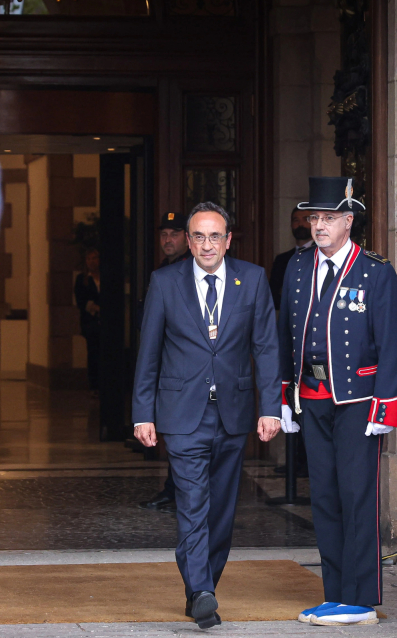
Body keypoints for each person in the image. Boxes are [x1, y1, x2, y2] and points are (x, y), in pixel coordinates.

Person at [132, 201, 281, 629]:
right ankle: (201, 591)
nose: (207, 244)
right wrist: (143, 414)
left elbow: (266, 348)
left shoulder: (250, 279)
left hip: (233, 414)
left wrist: (270, 407)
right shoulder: (164, 283)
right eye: (199, 236)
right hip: (180, 415)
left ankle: (202, 586)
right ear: (189, 241)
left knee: (221, 513)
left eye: (215, 236)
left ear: (228, 240)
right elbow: (150, 354)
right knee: (193, 504)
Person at [277, 177, 397, 626]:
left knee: (357, 497)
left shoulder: (375, 271)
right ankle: (335, 593)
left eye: (328, 217)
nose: (318, 225)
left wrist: (386, 407)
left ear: (348, 221)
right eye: (314, 217)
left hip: (358, 400)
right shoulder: (296, 267)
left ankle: (361, 598)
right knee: (326, 499)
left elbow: (393, 344)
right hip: (311, 397)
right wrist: (284, 395)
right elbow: (284, 335)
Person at [138, 211, 193, 514]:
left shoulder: (188, 270)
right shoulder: (164, 270)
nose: (167, 240)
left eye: (173, 234)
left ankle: (179, 491)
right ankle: (175, 489)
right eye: (163, 234)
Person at [269, 206, 316, 479]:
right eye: (294, 219)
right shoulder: (286, 260)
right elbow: (277, 297)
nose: (299, 224)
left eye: (304, 219)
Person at [74, 247, 101, 391]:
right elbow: (81, 300)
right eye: (89, 259)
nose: (91, 262)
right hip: (91, 321)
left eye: (94, 258)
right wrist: (95, 308)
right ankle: (94, 386)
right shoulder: (82, 279)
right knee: (93, 352)